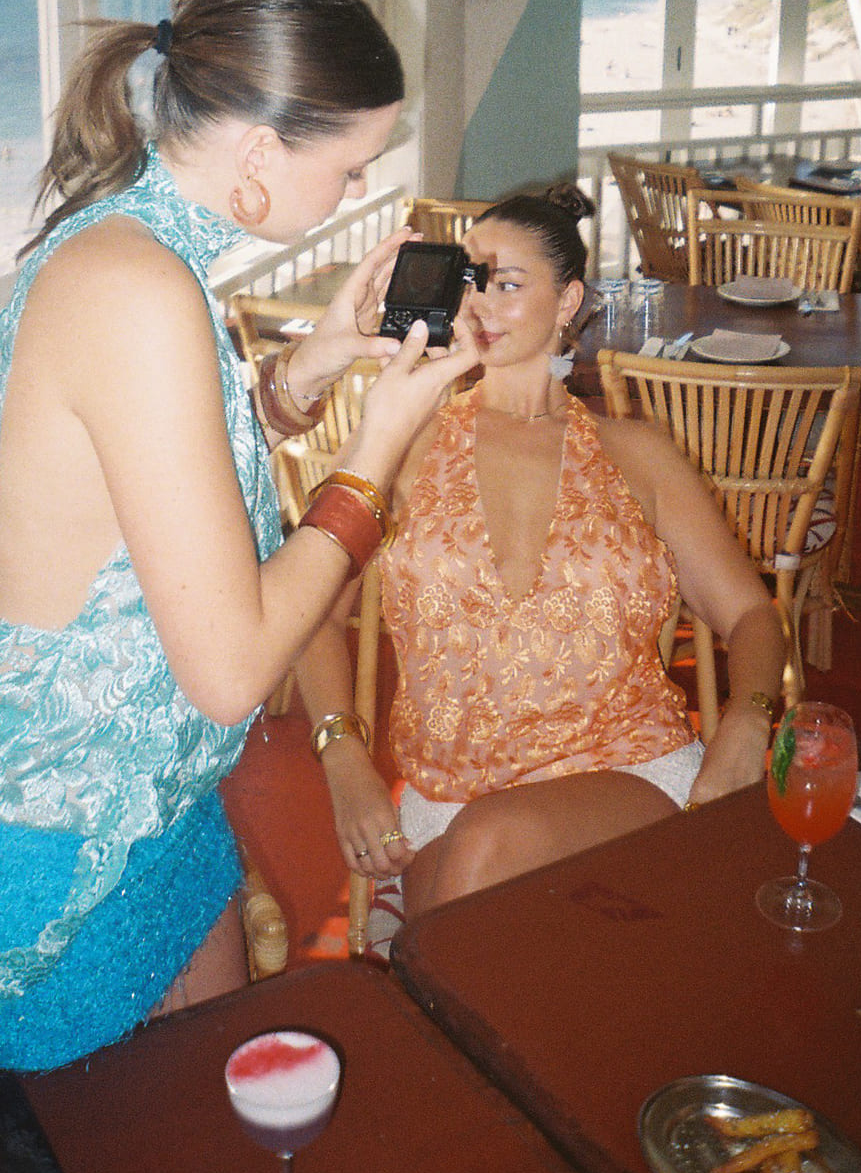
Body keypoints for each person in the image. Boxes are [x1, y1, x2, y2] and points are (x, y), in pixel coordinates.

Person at [0, 0, 476, 1089]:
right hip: (37, 836)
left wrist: (326, 357)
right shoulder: (137, 287)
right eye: (348, 169)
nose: (353, 195)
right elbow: (234, 669)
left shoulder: (135, 251)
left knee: (212, 1108)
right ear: (259, 151)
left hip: (151, 797)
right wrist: (378, 442)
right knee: (135, 1147)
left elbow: (171, 468)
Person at [298, 184, 786, 937]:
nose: (480, 303)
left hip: (625, 773)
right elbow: (313, 617)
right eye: (469, 281)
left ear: (568, 301)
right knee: (486, 879)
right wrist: (342, 757)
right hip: (450, 798)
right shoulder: (402, 445)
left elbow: (751, 613)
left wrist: (748, 723)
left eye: (508, 283)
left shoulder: (638, 456)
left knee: (484, 870)